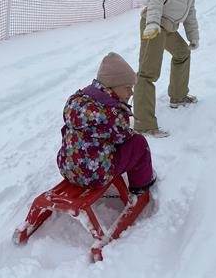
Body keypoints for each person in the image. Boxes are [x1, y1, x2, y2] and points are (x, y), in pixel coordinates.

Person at [133, 0, 200, 138]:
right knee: (148, 73)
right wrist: (152, 23)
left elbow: (190, 6)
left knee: (182, 53)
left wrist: (193, 34)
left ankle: (178, 96)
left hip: (169, 25)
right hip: (155, 24)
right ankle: (144, 124)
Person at [57, 52, 156, 195]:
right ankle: (142, 184)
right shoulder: (113, 112)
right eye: (127, 87)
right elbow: (124, 137)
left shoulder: (76, 100)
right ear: (112, 86)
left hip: (66, 167)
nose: (132, 92)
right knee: (138, 142)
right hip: (95, 176)